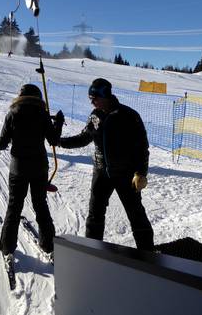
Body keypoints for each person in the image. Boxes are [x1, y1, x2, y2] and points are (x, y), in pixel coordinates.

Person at [57, 78, 154, 251]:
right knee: (95, 215)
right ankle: (93, 252)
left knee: (136, 214)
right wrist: (60, 142)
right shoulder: (95, 116)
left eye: (94, 97)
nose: (91, 102)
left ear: (105, 95)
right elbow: (84, 138)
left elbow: (142, 147)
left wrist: (141, 172)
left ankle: (147, 254)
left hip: (126, 174)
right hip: (101, 173)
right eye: (90, 98)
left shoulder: (129, 116)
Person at [0, 84, 64, 266]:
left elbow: (3, 142)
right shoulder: (42, 113)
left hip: (18, 168)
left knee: (14, 206)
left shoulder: (13, 112)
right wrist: (58, 123)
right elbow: (54, 140)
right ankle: (49, 246)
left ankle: (7, 248)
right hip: (39, 167)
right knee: (40, 205)